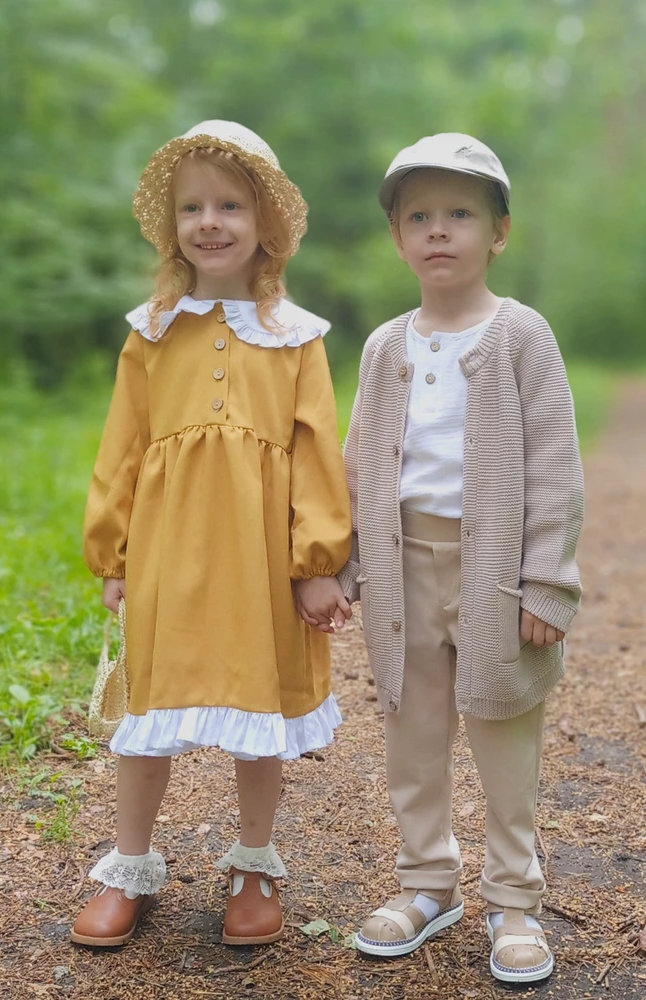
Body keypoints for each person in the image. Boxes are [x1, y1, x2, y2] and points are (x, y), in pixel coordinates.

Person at [308, 133, 583, 984]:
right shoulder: (387, 345)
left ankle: (515, 900)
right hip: (401, 567)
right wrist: (341, 566)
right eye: (418, 216)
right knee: (412, 733)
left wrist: (545, 580)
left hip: (494, 568)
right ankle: (428, 884)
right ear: (397, 238)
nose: (438, 231)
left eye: (459, 214)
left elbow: (554, 465)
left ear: (498, 231)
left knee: (503, 730)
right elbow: (359, 459)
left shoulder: (519, 336)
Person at [71, 120, 352, 949]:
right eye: (192, 206)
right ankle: (129, 863)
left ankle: (254, 860)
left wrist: (317, 562)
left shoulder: (297, 337)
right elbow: (121, 445)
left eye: (230, 204)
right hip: (168, 547)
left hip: (260, 554)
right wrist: (114, 551)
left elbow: (314, 453)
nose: (210, 221)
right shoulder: (153, 331)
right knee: (149, 704)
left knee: (257, 701)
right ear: (172, 228)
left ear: (265, 223)